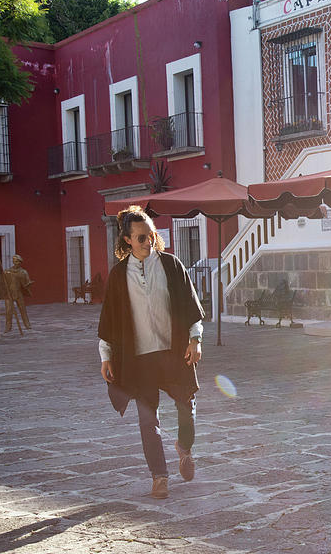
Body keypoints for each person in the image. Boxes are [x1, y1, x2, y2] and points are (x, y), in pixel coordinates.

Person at [98, 206, 204, 499]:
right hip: (139, 359)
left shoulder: (172, 266)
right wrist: (105, 356)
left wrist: (195, 340)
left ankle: (184, 447)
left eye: (151, 236)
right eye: (141, 238)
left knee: (186, 411)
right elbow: (109, 321)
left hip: (173, 355)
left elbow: (191, 309)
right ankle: (159, 477)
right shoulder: (119, 276)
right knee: (148, 421)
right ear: (128, 241)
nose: (148, 242)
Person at [4, 254, 33, 331]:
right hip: (9, 294)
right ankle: (8, 327)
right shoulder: (7, 271)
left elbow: (27, 283)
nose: (16, 262)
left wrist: (28, 285)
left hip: (18, 293)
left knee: (23, 310)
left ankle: (27, 324)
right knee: (8, 311)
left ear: (20, 262)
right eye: (15, 261)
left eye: (18, 261)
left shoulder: (23, 272)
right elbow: (3, 282)